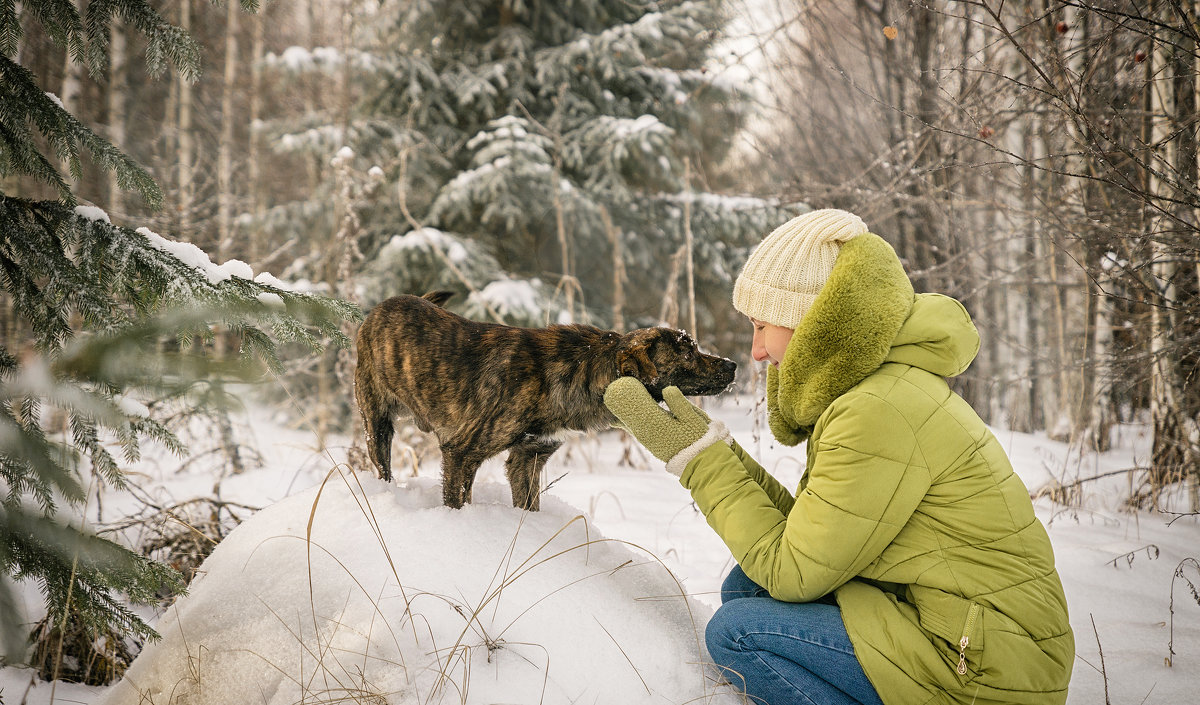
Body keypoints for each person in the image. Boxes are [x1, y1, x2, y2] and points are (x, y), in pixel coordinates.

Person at [603, 209, 1074, 705]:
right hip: (968, 634)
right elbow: (809, 543)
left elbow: (793, 572)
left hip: (982, 670)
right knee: (748, 588)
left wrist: (697, 461)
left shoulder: (877, 409)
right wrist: (716, 450)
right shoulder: (875, 388)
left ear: (814, 323)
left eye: (763, 326)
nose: (757, 350)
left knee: (737, 631)